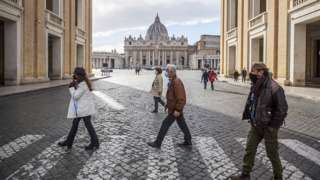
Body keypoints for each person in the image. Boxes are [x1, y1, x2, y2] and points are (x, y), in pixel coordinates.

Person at [230, 63, 288, 180]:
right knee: (249, 149)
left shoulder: (274, 87)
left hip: (269, 128)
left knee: (272, 153)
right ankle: (245, 175)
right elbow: (252, 103)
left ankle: (278, 176)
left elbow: (282, 110)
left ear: (261, 72)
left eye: (253, 71)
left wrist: (273, 126)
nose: (251, 73)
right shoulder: (255, 85)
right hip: (255, 125)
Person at [148, 65, 192, 148]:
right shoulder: (172, 81)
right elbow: (172, 96)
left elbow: (181, 98)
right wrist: (167, 105)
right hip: (174, 108)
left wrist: (178, 110)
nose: (166, 72)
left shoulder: (176, 82)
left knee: (165, 124)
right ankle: (188, 140)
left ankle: (158, 143)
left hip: (175, 109)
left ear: (172, 72)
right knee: (182, 124)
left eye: (167, 71)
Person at [58, 67, 99, 150]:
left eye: (75, 75)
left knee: (87, 126)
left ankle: (95, 142)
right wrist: (76, 85)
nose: (74, 76)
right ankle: (69, 141)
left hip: (83, 110)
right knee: (76, 124)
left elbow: (75, 96)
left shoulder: (83, 85)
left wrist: (71, 88)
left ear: (79, 76)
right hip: (83, 109)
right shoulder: (84, 83)